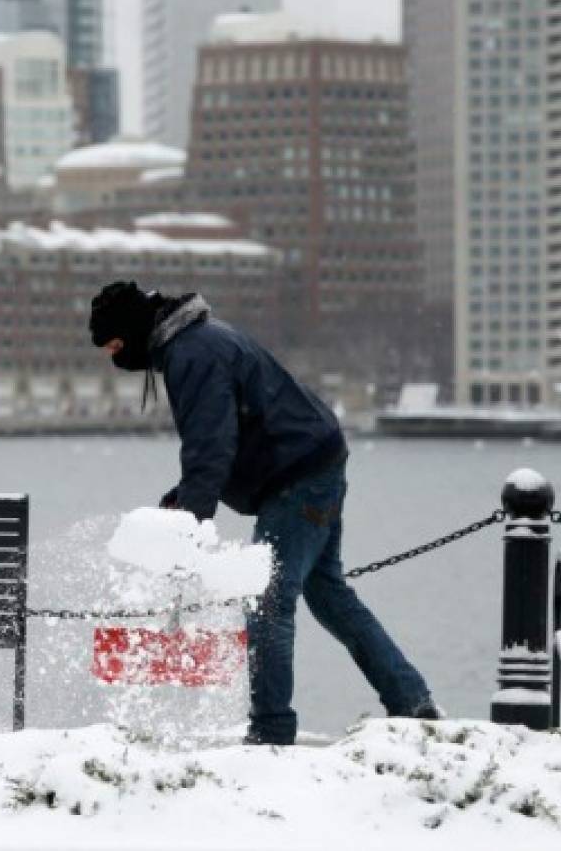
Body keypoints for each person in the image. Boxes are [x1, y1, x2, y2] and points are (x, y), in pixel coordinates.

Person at [88, 280, 440, 745]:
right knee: (329, 595)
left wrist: (190, 524)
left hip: (296, 477)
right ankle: (411, 701)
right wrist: (187, 495)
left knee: (267, 602)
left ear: (132, 330)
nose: (113, 356)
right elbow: (227, 433)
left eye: (114, 345)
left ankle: (271, 732)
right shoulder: (197, 339)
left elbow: (211, 443)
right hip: (316, 459)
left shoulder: (192, 354)